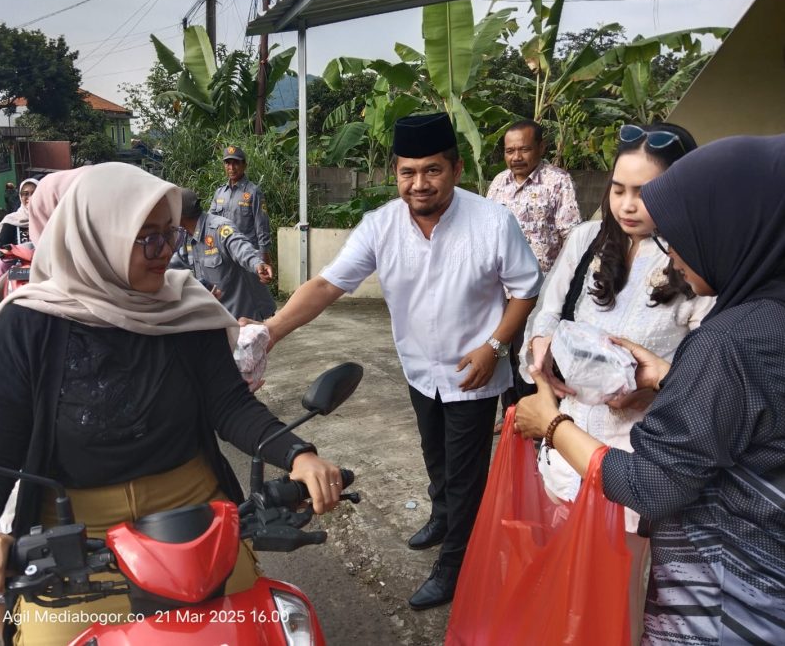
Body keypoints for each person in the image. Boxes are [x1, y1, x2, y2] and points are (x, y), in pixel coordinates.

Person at [0, 163, 344, 644]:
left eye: (169, 235)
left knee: (255, 627)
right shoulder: (28, 325)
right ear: (99, 238)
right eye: (147, 238)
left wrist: (298, 454)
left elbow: (230, 404)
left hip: (196, 515)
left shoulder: (185, 308)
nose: (166, 253)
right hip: (76, 534)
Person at [252, 113, 542, 610]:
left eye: (432, 170)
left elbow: (525, 289)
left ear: (454, 167)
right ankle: (442, 517)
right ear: (395, 172)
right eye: (408, 172)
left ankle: (455, 563)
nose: (419, 183)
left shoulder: (492, 222)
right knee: (435, 455)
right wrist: (270, 331)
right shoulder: (381, 226)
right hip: (419, 368)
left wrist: (494, 346)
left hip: (475, 373)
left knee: (465, 473)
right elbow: (326, 285)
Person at [515, 133, 785, 645]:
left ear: (725, 228)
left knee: (617, 600)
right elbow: (741, 403)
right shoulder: (762, 317)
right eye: (617, 189)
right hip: (758, 574)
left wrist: (550, 422)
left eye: (682, 231)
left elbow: (652, 484)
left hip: (725, 592)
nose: (671, 250)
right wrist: (662, 374)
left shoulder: (729, 340)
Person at [486, 120, 581, 415]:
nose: (516, 157)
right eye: (510, 150)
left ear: (541, 147)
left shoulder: (557, 181)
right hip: (500, 289)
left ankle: (534, 413)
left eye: (524, 149)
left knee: (531, 354)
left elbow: (572, 236)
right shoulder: (498, 183)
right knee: (502, 351)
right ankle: (510, 413)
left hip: (541, 290)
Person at [169, 188, 276, 320]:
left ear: (180, 215)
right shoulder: (188, 236)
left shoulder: (219, 228)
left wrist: (258, 264)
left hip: (246, 315)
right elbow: (174, 262)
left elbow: (240, 247)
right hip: (222, 316)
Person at [211, 146, 272, 262]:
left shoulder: (254, 192)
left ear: (244, 165)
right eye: (228, 163)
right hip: (224, 253)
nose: (231, 168)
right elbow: (211, 221)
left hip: (247, 254)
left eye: (236, 163)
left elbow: (262, 226)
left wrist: (264, 253)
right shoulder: (219, 193)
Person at [0, 178, 38, 257]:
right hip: (18, 266)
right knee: (0, 266)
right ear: (20, 197)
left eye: (34, 193)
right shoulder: (12, 220)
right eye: (25, 194)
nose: (30, 197)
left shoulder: (50, 218)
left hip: (46, 266)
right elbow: (0, 246)